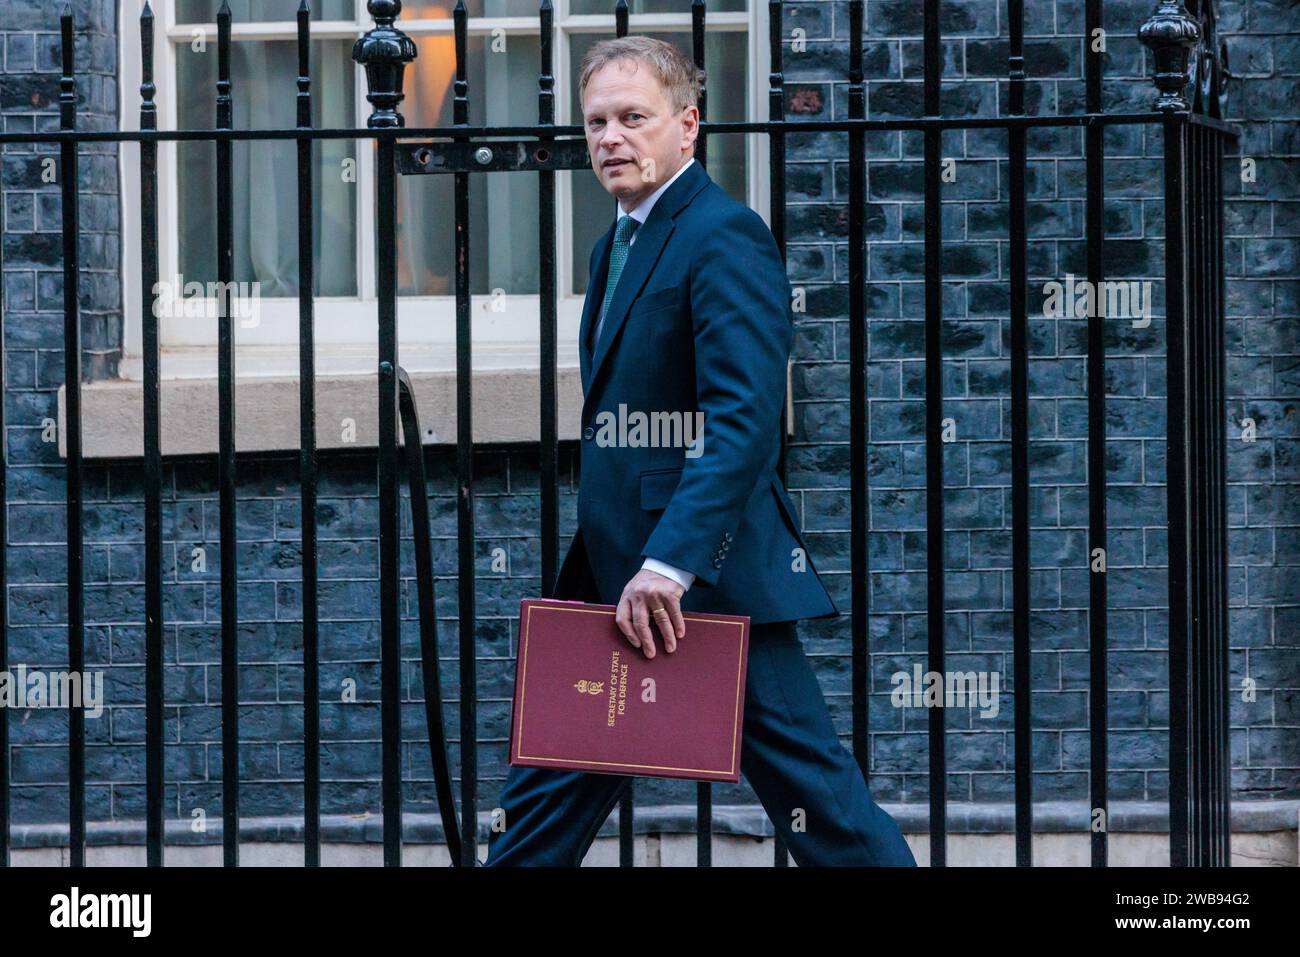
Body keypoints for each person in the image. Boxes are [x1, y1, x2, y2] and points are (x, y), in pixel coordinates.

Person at [484, 35, 915, 867]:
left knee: (821, 804)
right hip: (619, 577)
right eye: (598, 121)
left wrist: (673, 562)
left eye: (633, 118)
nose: (612, 137)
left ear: (687, 126)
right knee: (542, 802)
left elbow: (743, 419)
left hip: (702, 586)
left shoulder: (724, 236)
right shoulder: (616, 246)